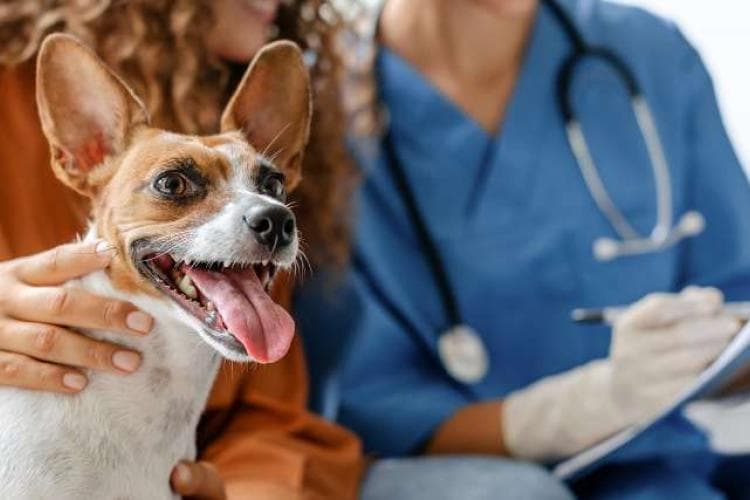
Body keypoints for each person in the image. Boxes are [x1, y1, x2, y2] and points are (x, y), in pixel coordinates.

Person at [295, 0, 750, 498]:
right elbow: (372, 408)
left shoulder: (649, 52)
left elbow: (735, 302)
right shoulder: (317, 109)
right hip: (471, 475)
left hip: (666, 474)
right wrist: (587, 406)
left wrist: (699, 349)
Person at [0, 0, 362, 498]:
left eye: (272, 187)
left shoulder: (244, 290)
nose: (268, 212)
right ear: (84, 151)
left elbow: (272, 420)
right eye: (174, 186)